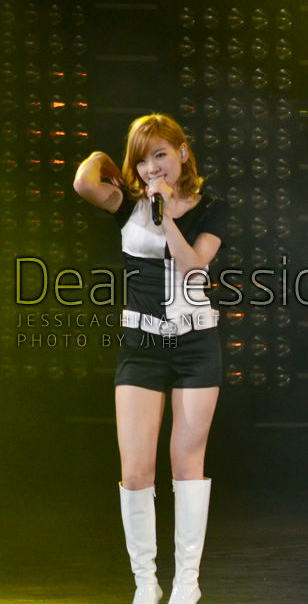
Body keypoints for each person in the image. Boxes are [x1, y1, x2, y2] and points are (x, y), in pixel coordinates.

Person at [73, 114, 227, 604]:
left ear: (182, 152)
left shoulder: (212, 209)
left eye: (159, 154)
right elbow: (84, 182)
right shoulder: (128, 204)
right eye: (141, 160)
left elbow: (193, 266)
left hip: (196, 345)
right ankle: (145, 582)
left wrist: (165, 215)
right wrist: (104, 159)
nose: (151, 167)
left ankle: (187, 582)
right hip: (142, 346)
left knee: (187, 464)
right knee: (137, 470)